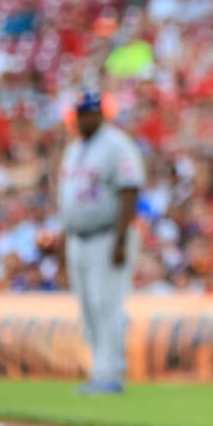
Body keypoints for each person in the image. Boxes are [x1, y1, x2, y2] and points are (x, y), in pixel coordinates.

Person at [58, 89, 145, 395]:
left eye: (86, 113)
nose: (80, 119)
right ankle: (98, 370)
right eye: (78, 113)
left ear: (99, 114)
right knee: (87, 308)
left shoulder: (117, 145)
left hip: (107, 235)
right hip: (78, 238)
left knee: (106, 304)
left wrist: (120, 239)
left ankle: (111, 373)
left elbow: (129, 190)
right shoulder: (75, 148)